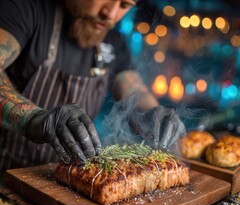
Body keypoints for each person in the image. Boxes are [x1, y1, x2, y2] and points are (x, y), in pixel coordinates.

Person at [0, 0, 186, 171]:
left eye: (124, 5)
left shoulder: (113, 42)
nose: (110, 14)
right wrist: (32, 118)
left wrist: (153, 113)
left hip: (63, 184)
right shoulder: (24, 10)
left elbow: (134, 90)